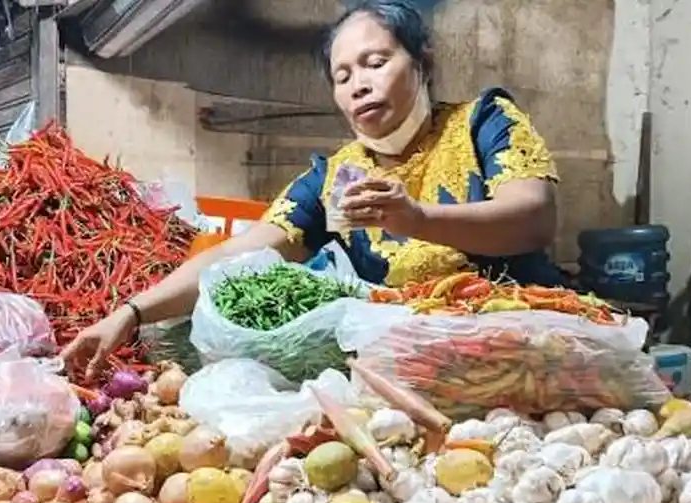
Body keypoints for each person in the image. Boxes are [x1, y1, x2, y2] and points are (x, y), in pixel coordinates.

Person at [63, 0, 563, 378]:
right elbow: (238, 255)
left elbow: (533, 218)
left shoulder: (482, 122)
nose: (359, 85)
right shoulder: (336, 178)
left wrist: (417, 219)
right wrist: (130, 313)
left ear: (422, 63)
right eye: (342, 76)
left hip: (521, 355)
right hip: (411, 370)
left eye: (376, 62)